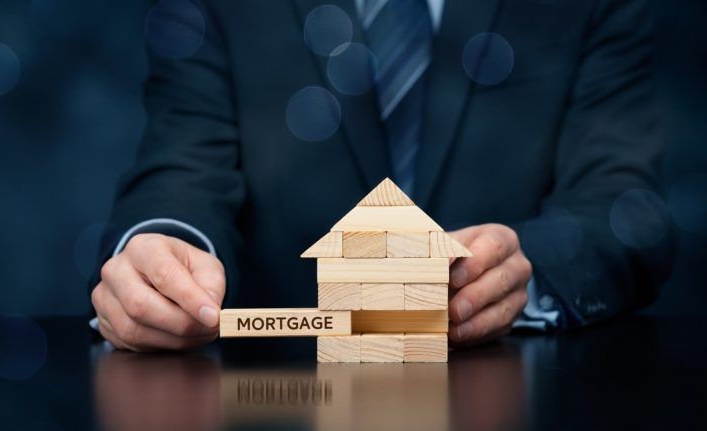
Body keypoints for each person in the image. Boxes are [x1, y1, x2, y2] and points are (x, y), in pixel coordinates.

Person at [91, 0, 669, 351]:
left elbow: (624, 208)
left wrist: (530, 268)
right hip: (281, 401)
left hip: (518, 398)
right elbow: (181, 169)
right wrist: (162, 256)